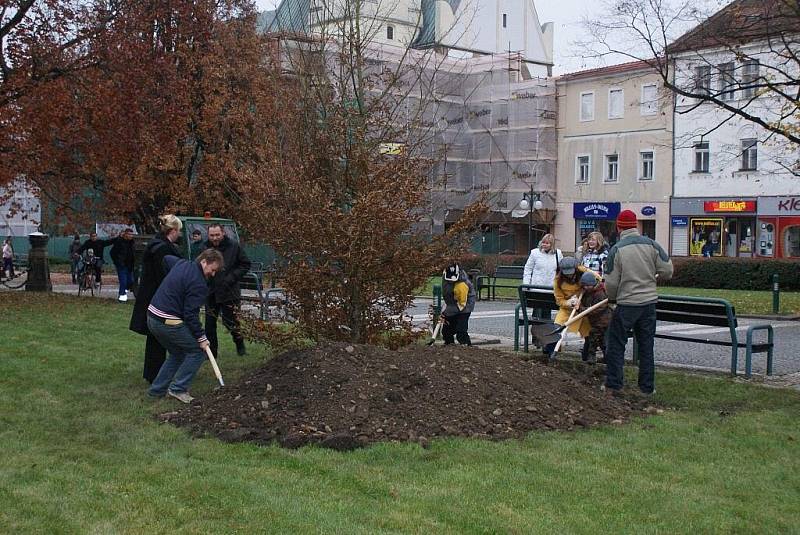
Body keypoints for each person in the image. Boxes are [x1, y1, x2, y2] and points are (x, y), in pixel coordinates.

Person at [604, 209, 673, 395]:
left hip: (627, 304)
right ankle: (646, 387)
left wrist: (612, 299)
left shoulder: (616, 249)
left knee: (616, 344)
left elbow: (610, 283)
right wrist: (652, 277)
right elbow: (668, 270)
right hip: (649, 303)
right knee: (646, 345)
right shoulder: (652, 245)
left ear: (619, 227)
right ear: (636, 225)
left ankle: (614, 384)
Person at [147, 248, 224, 403]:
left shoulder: (181, 263)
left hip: (151, 316)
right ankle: (178, 389)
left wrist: (175, 283)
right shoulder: (199, 284)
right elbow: (190, 315)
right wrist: (201, 338)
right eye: (213, 269)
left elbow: (166, 258)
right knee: (197, 352)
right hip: (167, 321)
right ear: (203, 262)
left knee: (178, 353)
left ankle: (157, 390)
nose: (213, 274)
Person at [130, 215, 182, 383]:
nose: (179, 234)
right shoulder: (162, 250)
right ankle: (156, 374)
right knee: (159, 337)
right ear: (173, 231)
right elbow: (166, 277)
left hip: (151, 297)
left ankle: (153, 372)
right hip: (159, 299)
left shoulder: (156, 246)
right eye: (179, 231)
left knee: (156, 337)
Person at [204, 224, 251, 357]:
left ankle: (240, 345)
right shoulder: (205, 247)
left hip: (229, 291)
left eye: (217, 235)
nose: (215, 238)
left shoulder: (234, 246)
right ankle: (211, 353)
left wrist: (231, 277)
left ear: (223, 233)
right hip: (211, 291)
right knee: (209, 324)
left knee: (231, 322)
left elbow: (245, 264)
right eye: (212, 235)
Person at [543, 256, 598, 359]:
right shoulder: (558, 281)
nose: (569, 275)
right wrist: (569, 303)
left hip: (582, 310)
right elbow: (559, 300)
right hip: (567, 310)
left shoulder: (583, 272)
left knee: (589, 333)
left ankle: (587, 357)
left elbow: (597, 279)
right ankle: (550, 354)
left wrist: (586, 275)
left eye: (571, 272)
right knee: (556, 329)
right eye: (566, 272)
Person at [522, 233, 562, 319]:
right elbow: (528, 268)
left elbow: (560, 270)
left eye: (547, 243)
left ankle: (546, 330)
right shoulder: (535, 253)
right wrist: (526, 284)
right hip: (537, 286)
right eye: (543, 242)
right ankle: (536, 329)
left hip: (550, 287)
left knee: (547, 312)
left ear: (552, 244)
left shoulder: (557, 254)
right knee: (537, 311)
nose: (545, 245)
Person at [577, 271, 612, 364]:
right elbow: (585, 304)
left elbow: (597, 309)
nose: (585, 287)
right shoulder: (586, 292)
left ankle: (595, 357)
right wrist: (578, 305)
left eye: (588, 286)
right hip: (594, 321)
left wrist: (581, 309)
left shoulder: (600, 293)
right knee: (596, 340)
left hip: (603, 321)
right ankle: (591, 357)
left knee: (598, 339)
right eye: (584, 286)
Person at [441, 263, 476, 346]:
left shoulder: (462, 285)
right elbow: (447, 295)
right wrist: (446, 309)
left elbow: (461, 304)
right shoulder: (445, 280)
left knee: (461, 331)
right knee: (446, 331)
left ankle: (466, 346)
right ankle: (449, 345)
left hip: (464, 307)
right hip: (452, 305)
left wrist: (447, 312)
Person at [109, 228, 135, 302]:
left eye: (132, 234)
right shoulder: (119, 242)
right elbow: (112, 252)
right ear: (125, 234)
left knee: (131, 281)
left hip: (130, 265)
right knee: (123, 281)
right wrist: (117, 262)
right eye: (129, 234)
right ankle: (122, 296)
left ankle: (124, 291)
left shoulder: (132, 243)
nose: (131, 236)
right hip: (121, 265)